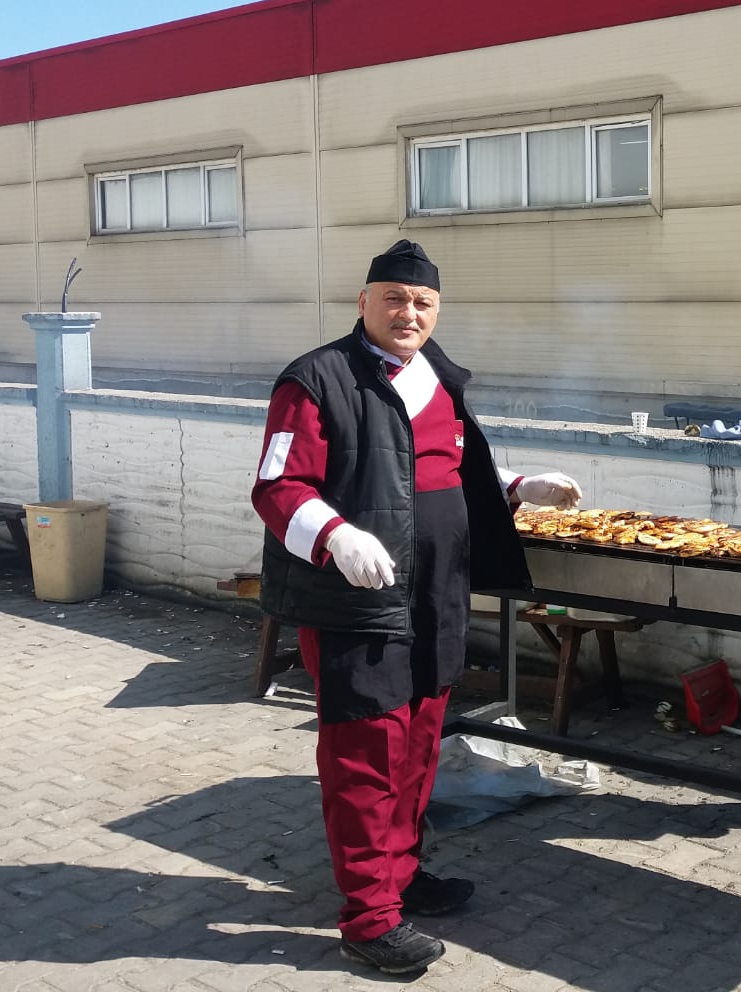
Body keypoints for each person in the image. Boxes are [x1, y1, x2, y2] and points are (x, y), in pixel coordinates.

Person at [252, 239, 581, 974]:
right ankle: (369, 920)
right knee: (365, 757)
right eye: (394, 298)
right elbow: (276, 487)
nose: (409, 312)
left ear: (437, 311)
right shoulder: (316, 379)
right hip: (356, 602)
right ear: (363, 303)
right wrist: (333, 535)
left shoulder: (440, 379)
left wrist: (517, 487)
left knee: (420, 749)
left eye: (422, 302)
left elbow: (451, 470)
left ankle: (399, 881)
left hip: (437, 594)